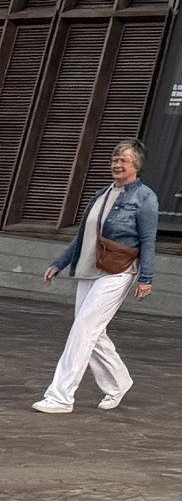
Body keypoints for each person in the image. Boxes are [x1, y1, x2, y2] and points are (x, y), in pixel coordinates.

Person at [32, 140, 157, 414]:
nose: (116, 164)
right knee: (91, 331)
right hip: (88, 269)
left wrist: (145, 278)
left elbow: (148, 240)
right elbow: (83, 236)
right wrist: (60, 262)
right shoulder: (101, 194)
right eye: (114, 159)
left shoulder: (144, 197)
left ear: (136, 165)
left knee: (83, 330)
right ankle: (119, 382)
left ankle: (61, 396)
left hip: (117, 271)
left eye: (123, 160)